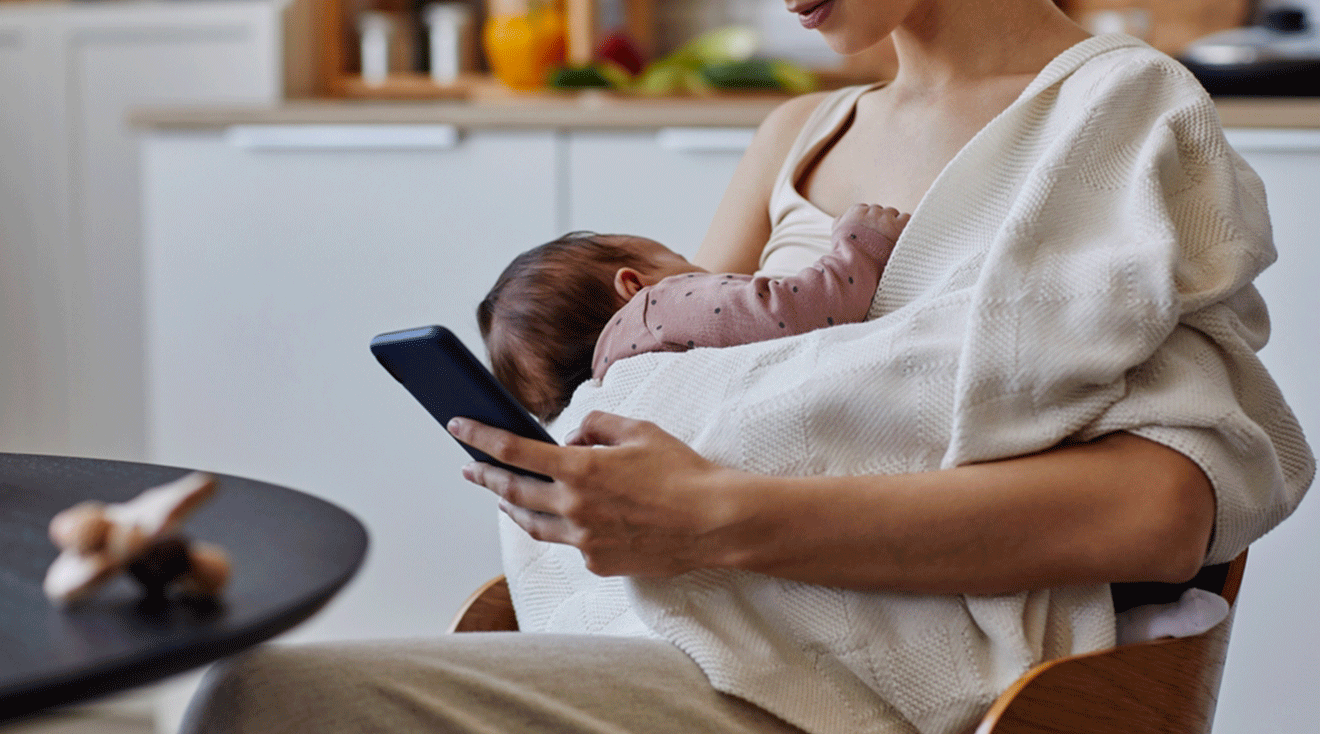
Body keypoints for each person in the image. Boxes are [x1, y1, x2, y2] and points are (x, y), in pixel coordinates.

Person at [183, 1, 1314, 733]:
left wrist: (718, 516)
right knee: (252, 697)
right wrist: (588, 480)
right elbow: (667, 383)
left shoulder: (1115, 116)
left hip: (891, 683)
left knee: (261, 701)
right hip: (710, 634)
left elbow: (1164, 513)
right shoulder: (798, 135)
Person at [479, 204, 908, 423]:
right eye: (679, 259)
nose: (707, 275)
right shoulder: (656, 309)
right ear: (633, 284)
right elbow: (792, 312)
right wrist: (862, 245)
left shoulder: (614, 378)